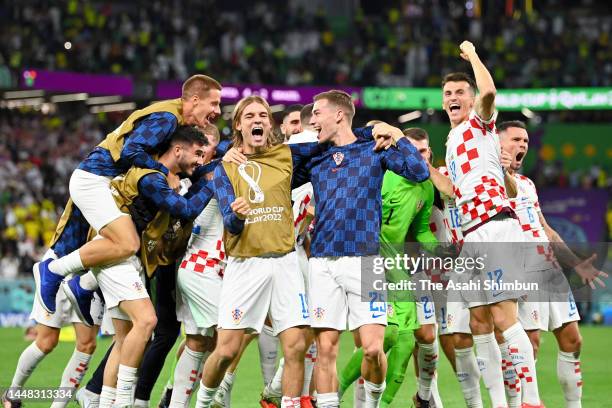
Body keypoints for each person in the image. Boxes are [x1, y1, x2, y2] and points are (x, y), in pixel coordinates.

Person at [35, 75, 222, 324]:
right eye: (214, 104)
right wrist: (164, 173)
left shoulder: (172, 118)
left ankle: (84, 286)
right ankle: (53, 271)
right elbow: (130, 150)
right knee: (128, 243)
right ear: (196, 100)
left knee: (115, 243)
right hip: (96, 179)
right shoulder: (167, 118)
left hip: (104, 181)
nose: (218, 111)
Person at [427, 41, 543, 408]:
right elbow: (449, 189)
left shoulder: (479, 124)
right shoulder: (450, 139)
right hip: (473, 236)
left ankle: (531, 400)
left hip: (495, 226)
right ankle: (498, 403)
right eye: (448, 93)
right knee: (479, 320)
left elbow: (490, 91)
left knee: (504, 318)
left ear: (472, 99)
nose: (453, 97)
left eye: (460, 91)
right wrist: (409, 152)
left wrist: (473, 55)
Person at [306, 90, 429, 408]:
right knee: (326, 348)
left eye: (317, 113)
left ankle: (371, 404)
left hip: (365, 261)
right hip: (322, 261)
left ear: (338, 115)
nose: (312, 119)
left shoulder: (374, 148)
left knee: (374, 348)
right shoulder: (314, 155)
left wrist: (399, 135)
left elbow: (419, 172)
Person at [195, 95, 312, 408]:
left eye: (263, 115)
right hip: (245, 265)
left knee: (296, 345)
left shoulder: (286, 156)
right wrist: (238, 215)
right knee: (226, 351)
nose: (257, 120)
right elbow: (231, 225)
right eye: (249, 116)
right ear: (239, 125)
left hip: (285, 261)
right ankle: (203, 402)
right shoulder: (226, 169)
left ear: (269, 124)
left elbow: (328, 146)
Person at [95, 125, 215, 407]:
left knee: (127, 339)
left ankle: (101, 398)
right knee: (149, 323)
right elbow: (184, 211)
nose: (201, 160)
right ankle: (128, 401)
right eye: (198, 153)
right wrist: (212, 182)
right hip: (119, 258)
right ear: (177, 150)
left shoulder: (164, 177)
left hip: (132, 261)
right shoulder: (152, 178)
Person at [498, 120, 607, 408]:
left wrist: (575, 264)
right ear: (498, 144)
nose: (523, 145)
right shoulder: (487, 182)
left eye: (526, 141)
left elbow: (545, 228)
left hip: (549, 269)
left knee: (573, 340)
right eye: (516, 139)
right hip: (519, 268)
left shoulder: (527, 184)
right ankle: (522, 403)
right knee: (528, 344)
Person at [2, 207, 103, 408]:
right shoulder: (95, 179)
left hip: (92, 272)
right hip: (61, 264)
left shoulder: (131, 187)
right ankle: (12, 394)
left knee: (87, 344)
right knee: (46, 342)